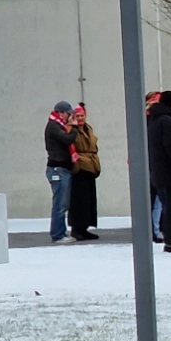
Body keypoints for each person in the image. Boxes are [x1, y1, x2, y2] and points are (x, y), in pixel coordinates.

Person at [148, 91, 171, 252]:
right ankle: (170, 240)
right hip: (169, 171)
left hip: (158, 169)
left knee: (168, 206)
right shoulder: (168, 121)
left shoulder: (154, 120)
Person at [67, 103, 101, 241]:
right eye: (78, 116)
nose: (80, 118)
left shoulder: (88, 128)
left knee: (89, 200)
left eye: (82, 115)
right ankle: (77, 228)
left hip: (90, 166)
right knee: (78, 200)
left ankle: (85, 227)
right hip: (80, 167)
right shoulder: (71, 129)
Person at [44, 102, 77, 244]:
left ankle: (60, 232)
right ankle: (58, 234)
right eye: (68, 113)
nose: (69, 116)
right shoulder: (53, 126)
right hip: (58, 169)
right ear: (60, 113)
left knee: (62, 203)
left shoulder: (57, 125)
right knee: (60, 204)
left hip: (62, 168)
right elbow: (67, 139)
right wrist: (74, 127)